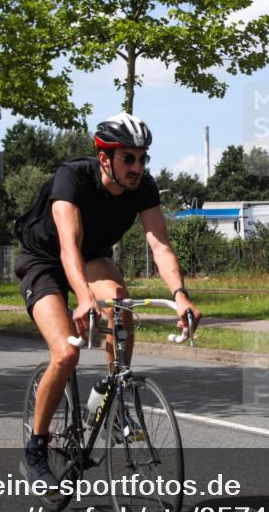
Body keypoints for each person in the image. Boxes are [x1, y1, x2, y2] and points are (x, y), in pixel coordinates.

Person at [14, 112, 201, 491]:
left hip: (92, 257)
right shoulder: (72, 177)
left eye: (142, 158)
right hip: (44, 260)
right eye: (128, 158)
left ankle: (114, 397)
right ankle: (35, 450)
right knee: (66, 353)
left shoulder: (143, 187)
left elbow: (160, 246)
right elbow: (68, 247)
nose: (137, 167)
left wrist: (180, 296)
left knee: (121, 305)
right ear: (104, 158)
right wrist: (84, 299)